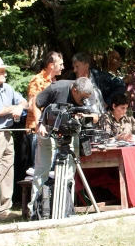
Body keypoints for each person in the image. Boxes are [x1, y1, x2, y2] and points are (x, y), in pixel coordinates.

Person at [30, 77, 94, 218]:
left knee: (68, 175)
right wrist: (38, 123)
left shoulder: (88, 90)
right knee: (42, 171)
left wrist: (84, 116)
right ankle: (35, 210)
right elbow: (36, 102)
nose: (84, 100)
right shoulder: (57, 88)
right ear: (74, 90)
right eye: (82, 98)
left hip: (70, 134)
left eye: (87, 98)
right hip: (48, 131)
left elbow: (94, 116)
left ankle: (66, 210)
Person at [0, 57, 29, 217]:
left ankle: (6, 206)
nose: (5, 73)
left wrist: (19, 106)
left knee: (8, 167)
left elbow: (24, 101)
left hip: (8, 132)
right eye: (2, 71)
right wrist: (14, 108)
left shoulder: (7, 87)